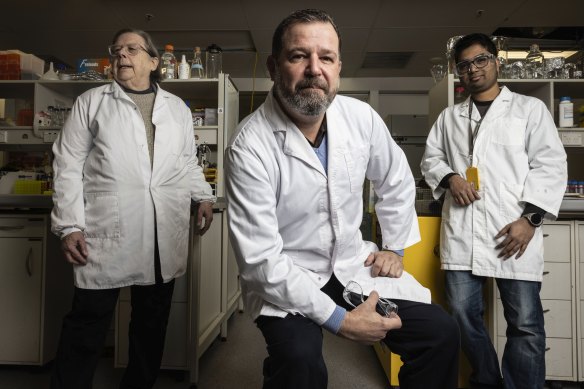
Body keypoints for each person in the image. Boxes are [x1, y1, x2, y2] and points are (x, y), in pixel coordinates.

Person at [225, 9, 459, 389]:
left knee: (440, 333)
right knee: (300, 363)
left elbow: (396, 178)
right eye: (299, 55)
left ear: (337, 68)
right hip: (287, 276)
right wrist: (342, 320)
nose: (315, 69)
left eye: (327, 57)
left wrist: (395, 248)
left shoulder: (360, 118)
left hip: (350, 264)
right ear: (273, 66)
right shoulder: (249, 146)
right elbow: (261, 261)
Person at [50, 28, 215, 389]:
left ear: (154, 61)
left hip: (160, 230)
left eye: (131, 49)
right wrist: (69, 225)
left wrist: (203, 195)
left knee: (151, 323)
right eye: (116, 50)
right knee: (87, 322)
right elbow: (67, 164)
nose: (121, 55)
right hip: (106, 229)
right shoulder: (92, 102)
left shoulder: (177, 110)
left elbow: (187, 163)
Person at [421, 33, 567, 389]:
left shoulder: (529, 110)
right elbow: (431, 159)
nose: (473, 69)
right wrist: (451, 177)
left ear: (496, 61)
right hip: (463, 232)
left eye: (481, 60)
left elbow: (550, 165)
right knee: (461, 315)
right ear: (459, 70)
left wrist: (530, 220)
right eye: (465, 64)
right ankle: (487, 379)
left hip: (512, 232)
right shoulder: (449, 117)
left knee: (525, 324)